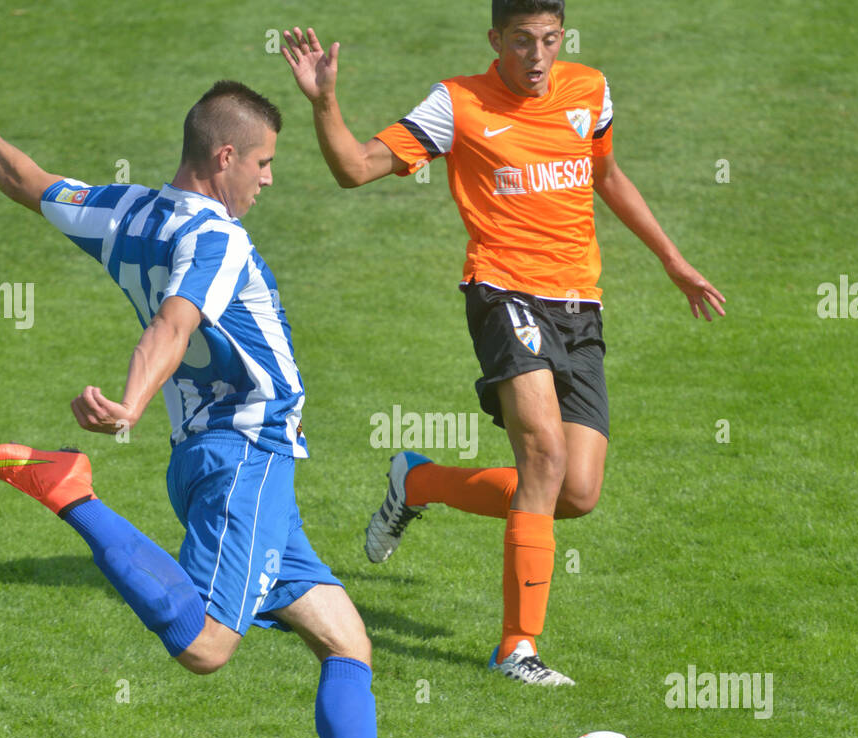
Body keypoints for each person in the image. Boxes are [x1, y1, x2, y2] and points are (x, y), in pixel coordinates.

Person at [0, 82, 442, 738]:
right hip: (248, 455)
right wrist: (132, 401)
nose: (269, 179)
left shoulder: (126, 210)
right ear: (225, 156)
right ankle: (72, 492)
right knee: (207, 644)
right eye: (264, 162)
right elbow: (175, 322)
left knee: (345, 638)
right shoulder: (218, 237)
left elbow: (22, 181)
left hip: (213, 457)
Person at [282, 1, 726, 686]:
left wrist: (671, 258)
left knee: (574, 491)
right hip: (503, 292)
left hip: (580, 305)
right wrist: (324, 103)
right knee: (543, 455)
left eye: (550, 39)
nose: (538, 56)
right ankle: (517, 647)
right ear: (496, 40)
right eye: (522, 41)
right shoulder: (456, 104)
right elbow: (357, 167)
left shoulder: (590, 91)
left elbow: (604, 174)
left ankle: (419, 482)